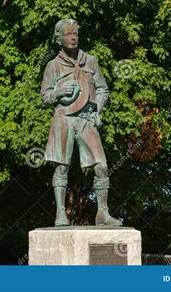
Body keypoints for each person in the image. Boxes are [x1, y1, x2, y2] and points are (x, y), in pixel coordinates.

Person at [40, 19, 122, 227]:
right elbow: (45, 96)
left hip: (86, 118)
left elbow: (103, 89)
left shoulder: (91, 61)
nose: (73, 37)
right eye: (68, 34)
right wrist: (58, 92)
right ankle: (60, 213)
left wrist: (98, 109)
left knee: (102, 166)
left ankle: (103, 213)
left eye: (75, 33)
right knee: (61, 167)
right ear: (58, 38)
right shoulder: (53, 65)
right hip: (64, 118)